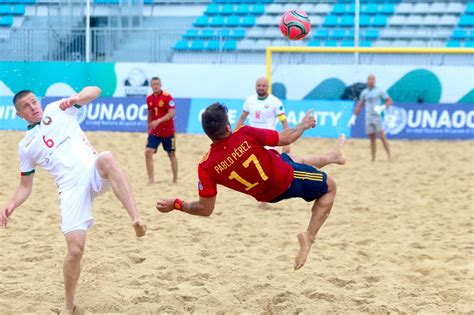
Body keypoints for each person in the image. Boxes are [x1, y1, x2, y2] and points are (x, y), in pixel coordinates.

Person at [0, 87, 147, 315]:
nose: (32, 108)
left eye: (33, 102)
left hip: (92, 171)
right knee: (75, 250)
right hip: (69, 190)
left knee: (107, 157)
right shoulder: (25, 147)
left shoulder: (56, 109)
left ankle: (136, 218)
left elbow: (96, 91)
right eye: (26, 107)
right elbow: (25, 186)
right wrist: (11, 204)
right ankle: (69, 304)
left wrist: (76, 98)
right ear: (19, 115)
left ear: (38, 101)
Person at [156, 103, 346, 270]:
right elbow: (287, 138)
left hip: (266, 193)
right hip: (284, 180)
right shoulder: (244, 133)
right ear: (228, 126)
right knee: (329, 187)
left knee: (296, 160)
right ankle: (309, 237)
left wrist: (176, 204)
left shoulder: (206, 165)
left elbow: (205, 209)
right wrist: (303, 125)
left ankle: (333, 156)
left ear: (207, 133)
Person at [235, 77, 290, 209]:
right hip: (254, 139)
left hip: (270, 139)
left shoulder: (275, 102)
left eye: (263, 86)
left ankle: (267, 198)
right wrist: (234, 135)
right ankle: (263, 197)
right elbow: (242, 118)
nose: (261, 88)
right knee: (255, 169)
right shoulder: (249, 100)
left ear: (268, 87)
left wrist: (287, 143)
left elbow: (284, 122)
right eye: (258, 85)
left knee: (269, 170)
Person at [348, 74, 393, 161]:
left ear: (375, 81)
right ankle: (373, 158)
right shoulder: (364, 92)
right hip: (368, 117)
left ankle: (389, 156)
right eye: (369, 79)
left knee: (382, 137)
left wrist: (382, 107)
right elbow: (360, 105)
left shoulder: (379, 91)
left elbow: (389, 101)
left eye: (373, 79)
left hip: (377, 117)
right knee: (372, 139)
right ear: (367, 81)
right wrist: (353, 117)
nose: (371, 80)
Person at [145, 77, 178, 184]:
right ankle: (151, 180)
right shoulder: (149, 98)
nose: (155, 86)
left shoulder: (167, 97)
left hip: (168, 132)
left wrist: (158, 121)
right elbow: (150, 113)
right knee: (148, 152)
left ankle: (175, 180)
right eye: (153, 84)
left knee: (171, 154)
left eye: (157, 84)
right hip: (155, 132)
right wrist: (148, 125)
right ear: (151, 86)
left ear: (161, 85)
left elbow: (172, 113)